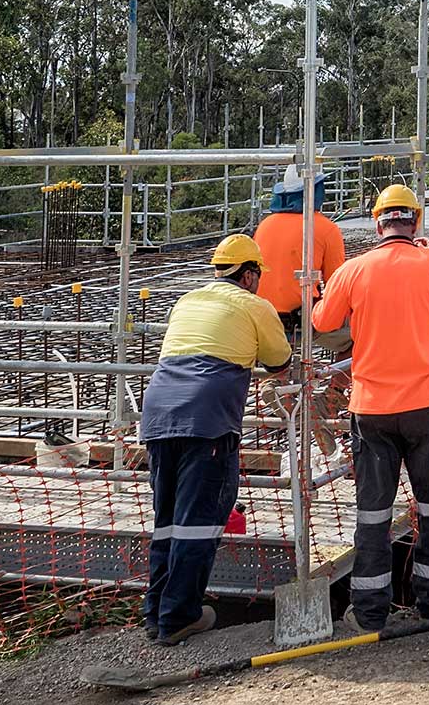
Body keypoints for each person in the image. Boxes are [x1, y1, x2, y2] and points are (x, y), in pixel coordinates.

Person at [313, 183, 429, 629]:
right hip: (427, 405)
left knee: (373, 511)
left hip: (372, 409)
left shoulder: (354, 269)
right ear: (416, 222)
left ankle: (369, 613)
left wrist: (320, 292)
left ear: (377, 223)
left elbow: (323, 322)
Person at [140, 235, 293, 645]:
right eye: (258, 274)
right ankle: (178, 617)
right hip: (205, 418)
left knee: (168, 520)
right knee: (199, 522)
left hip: (158, 412)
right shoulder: (254, 305)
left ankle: (156, 612)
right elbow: (280, 361)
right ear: (247, 274)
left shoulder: (188, 300)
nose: (259, 282)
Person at [252, 164, 347, 337]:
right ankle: (340, 365)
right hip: (299, 322)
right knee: (357, 331)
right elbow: (337, 287)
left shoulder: (264, 225)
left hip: (259, 319)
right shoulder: (326, 229)